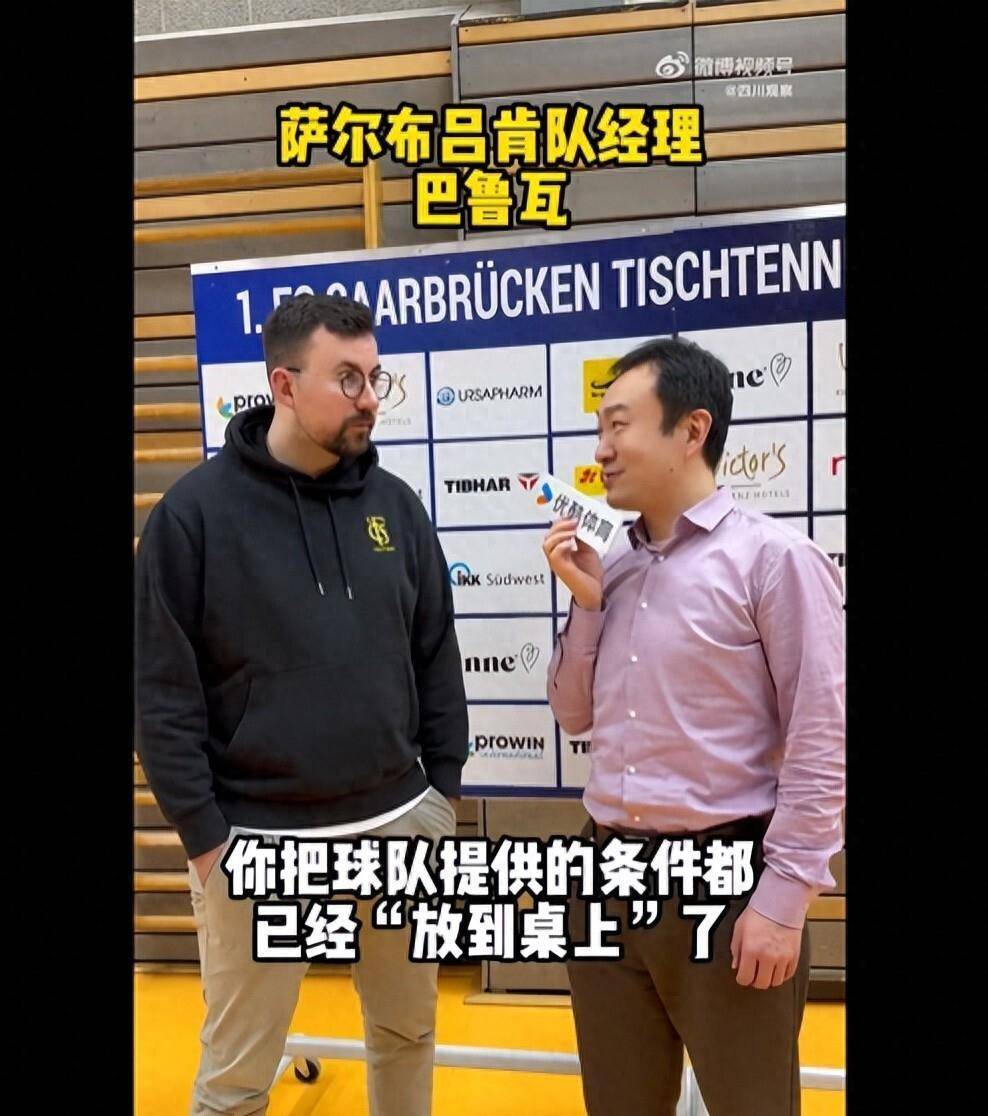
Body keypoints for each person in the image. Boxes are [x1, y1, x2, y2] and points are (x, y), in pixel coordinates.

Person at [136, 293, 468, 1116]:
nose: (369, 398)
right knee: (238, 1074)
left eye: (375, 378)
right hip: (255, 839)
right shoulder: (192, 517)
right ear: (283, 386)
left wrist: (441, 792)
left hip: (398, 823)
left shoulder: (396, 506)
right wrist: (205, 838)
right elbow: (160, 692)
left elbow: (435, 652)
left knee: (406, 1033)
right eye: (347, 378)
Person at [542, 336, 845, 1116]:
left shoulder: (774, 560)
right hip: (605, 875)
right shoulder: (612, 565)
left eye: (619, 425)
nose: (600, 451)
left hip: (728, 882)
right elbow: (573, 714)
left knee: (751, 1103)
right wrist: (586, 605)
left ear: (691, 429)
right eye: (599, 429)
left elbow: (822, 739)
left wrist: (782, 901)